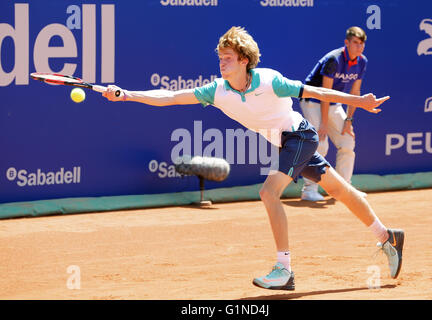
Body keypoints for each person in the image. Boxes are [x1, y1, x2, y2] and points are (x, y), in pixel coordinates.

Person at [102, 26, 404, 291]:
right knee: (339, 190)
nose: (222, 64)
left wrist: (359, 102)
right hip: (287, 142)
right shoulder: (217, 90)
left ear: (244, 60)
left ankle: (284, 270)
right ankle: (387, 236)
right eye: (220, 58)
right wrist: (126, 94)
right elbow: (170, 97)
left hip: (299, 137)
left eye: (228, 59)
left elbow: (315, 91)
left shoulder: (270, 81)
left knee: (268, 192)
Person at [300, 26, 369, 202]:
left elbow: (355, 93)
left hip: (333, 103)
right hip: (313, 100)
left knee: (347, 140)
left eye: (361, 44)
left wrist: (349, 120)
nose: (359, 47)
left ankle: (344, 189)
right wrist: (323, 124)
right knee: (320, 144)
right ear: (347, 43)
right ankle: (309, 190)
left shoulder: (362, 62)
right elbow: (324, 92)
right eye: (355, 43)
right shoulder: (334, 59)